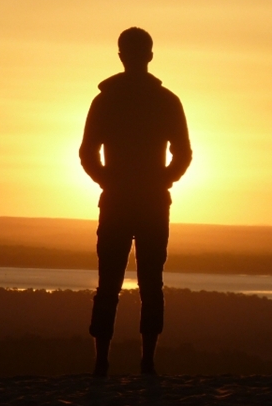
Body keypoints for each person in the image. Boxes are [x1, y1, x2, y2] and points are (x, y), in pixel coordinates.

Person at [79, 27, 192, 376]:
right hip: (148, 202)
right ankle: (146, 362)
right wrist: (161, 180)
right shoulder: (166, 101)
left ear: (121, 56)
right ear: (149, 56)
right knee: (149, 283)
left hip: (122, 200)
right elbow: (183, 154)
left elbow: (87, 153)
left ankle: (104, 362)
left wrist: (109, 181)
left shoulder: (107, 100)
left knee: (110, 284)